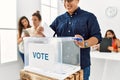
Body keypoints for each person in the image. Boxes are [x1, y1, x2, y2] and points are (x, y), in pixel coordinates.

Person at [50, 0, 102, 80]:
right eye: (64, 1)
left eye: (70, 0)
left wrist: (84, 43)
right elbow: (48, 34)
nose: (67, 3)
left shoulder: (89, 17)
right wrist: (40, 31)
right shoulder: (59, 19)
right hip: (62, 65)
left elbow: (97, 37)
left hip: (81, 66)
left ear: (78, 0)